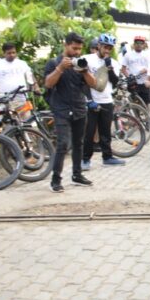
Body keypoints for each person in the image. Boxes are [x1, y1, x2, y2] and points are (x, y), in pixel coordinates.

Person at [44, 32, 97, 192]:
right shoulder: (54, 63)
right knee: (62, 144)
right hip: (61, 109)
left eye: (79, 49)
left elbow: (94, 84)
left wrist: (85, 71)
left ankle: (77, 175)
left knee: (78, 143)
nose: (77, 52)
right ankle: (56, 180)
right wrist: (60, 68)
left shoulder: (81, 62)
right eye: (74, 48)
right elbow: (48, 84)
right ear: (65, 45)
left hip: (79, 108)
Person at [82, 33, 125, 170]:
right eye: (105, 47)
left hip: (107, 100)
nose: (107, 50)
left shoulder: (114, 63)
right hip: (92, 101)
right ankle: (85, 159)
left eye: (110, 48)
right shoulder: (87, 59)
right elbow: (82, 82)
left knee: (105, 132)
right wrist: (89, 100)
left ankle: (107, 157)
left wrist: (109, 67)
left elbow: (115, 81)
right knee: (89, 132)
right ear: (99, 46)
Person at [120, 36, 150, 105]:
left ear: (144, 45)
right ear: (134, 44)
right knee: (134, 104)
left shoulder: (147, 55)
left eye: (141, 43)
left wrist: (146, 71)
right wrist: (129, 77)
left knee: (146, 104)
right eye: (137, 43)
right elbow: (123, 69)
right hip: (133, 83)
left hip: (144, 83)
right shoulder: (128, 55)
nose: (139, 45)